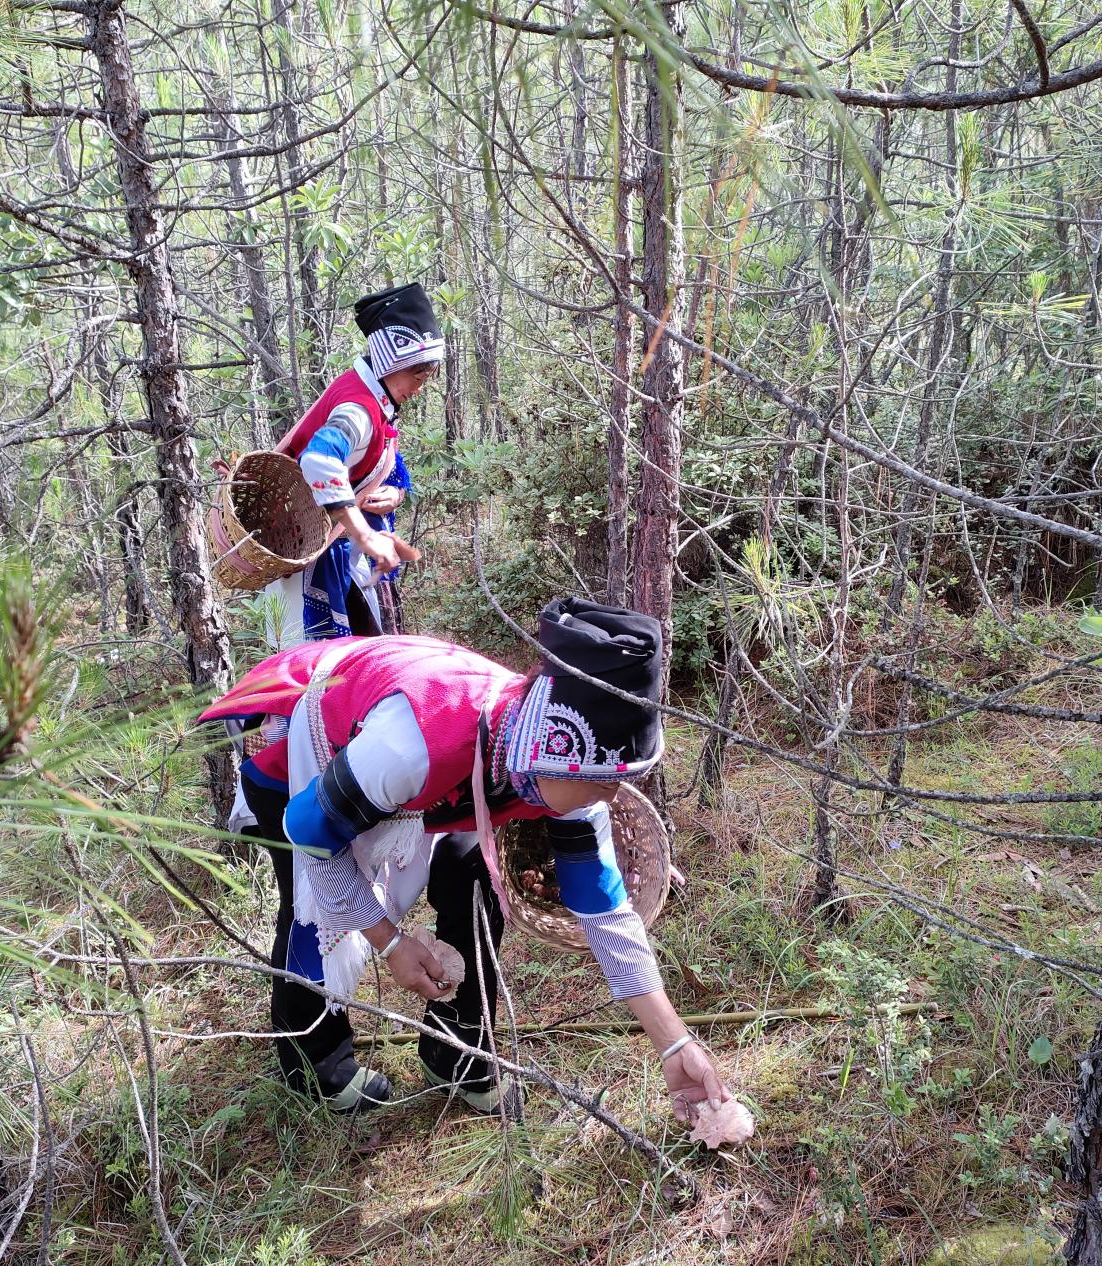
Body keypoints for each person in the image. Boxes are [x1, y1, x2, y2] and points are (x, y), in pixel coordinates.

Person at [199, 597, 735, 1121]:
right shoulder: (413, 746)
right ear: (554, 757)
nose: (613, 798)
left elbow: (605, 912)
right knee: (310, 910)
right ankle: (316, 1066)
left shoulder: (551, 763)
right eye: (603, 782)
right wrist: (390, 942)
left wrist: (674, 1043)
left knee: (476, 870)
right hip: (304, 736)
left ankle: (456, 1050)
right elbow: (311, 837)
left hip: (428, 779)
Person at [266, 282, 442, 646]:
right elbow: (319, 460)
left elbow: (376, 460)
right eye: (417, 376)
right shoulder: (358, 409)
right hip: (310, 561)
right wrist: (363, 534)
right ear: (393, 363)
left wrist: (394, 491)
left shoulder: (371, 400)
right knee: (308, 680)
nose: (419, 388)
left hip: (327, 556)